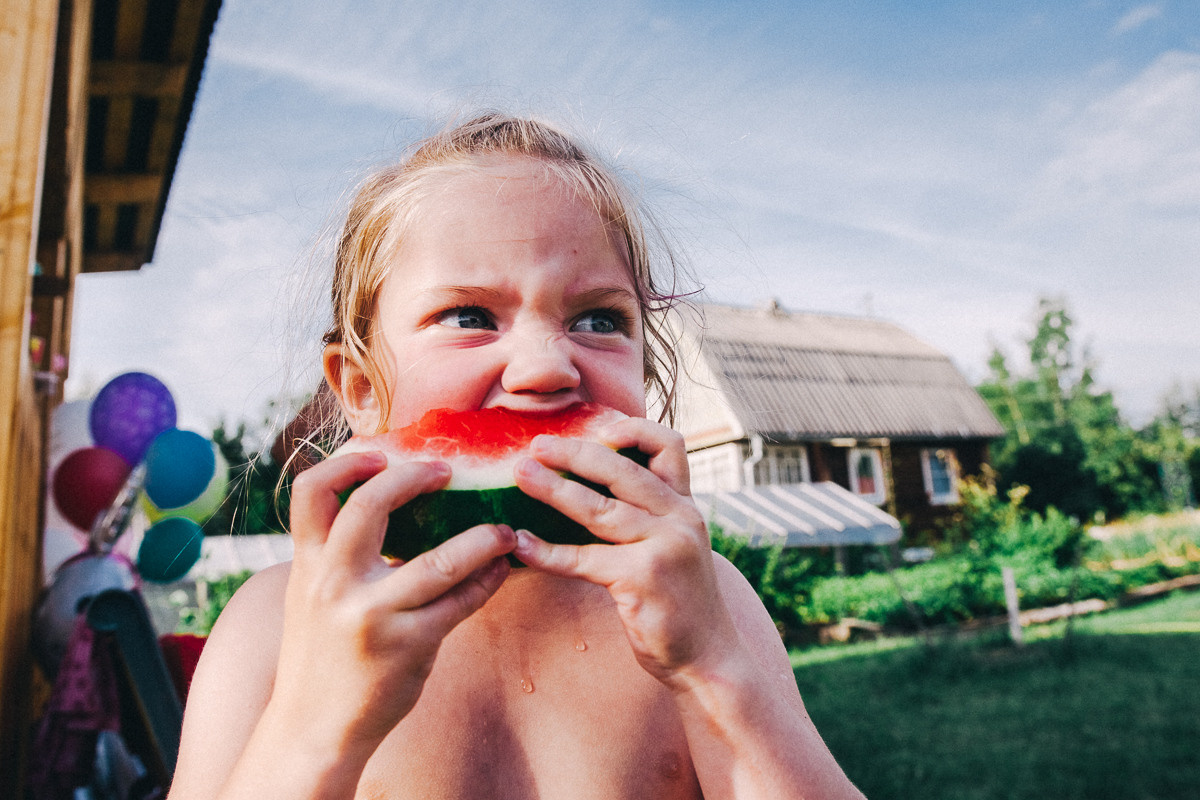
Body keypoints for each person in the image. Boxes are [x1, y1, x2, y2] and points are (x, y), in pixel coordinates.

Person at [168, 113, 865, 800]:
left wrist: (714, 666)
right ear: (358, 387)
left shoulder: (709, 603)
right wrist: (313, 725)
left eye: (599, 319)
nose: (545, 367)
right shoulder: (272, 627)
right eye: (469, 317)